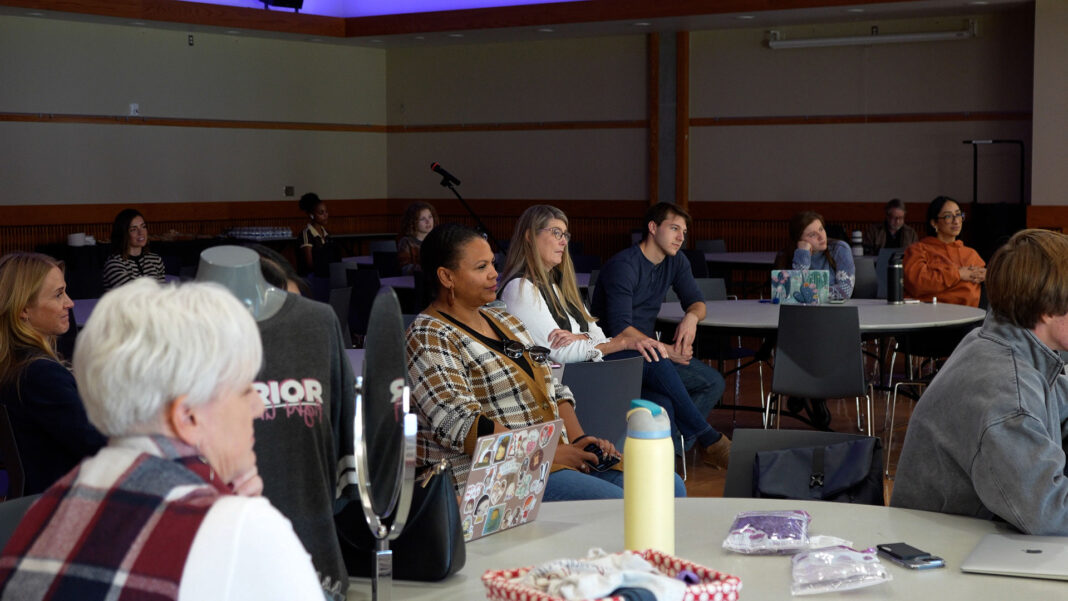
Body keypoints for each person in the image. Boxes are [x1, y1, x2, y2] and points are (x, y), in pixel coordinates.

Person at [0, 278, 324, 599]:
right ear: (188, 417)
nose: (258, 405)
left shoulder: (37, 517)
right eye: (242, 389)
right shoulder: (241, 529)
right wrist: (247, 518)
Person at [407, 223, 686, 501]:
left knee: (669, 485)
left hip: (550, 456)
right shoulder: (428, 335)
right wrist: (545, 451)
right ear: (446, 277)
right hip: (491, 474)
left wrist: (577, 442)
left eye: (493, 263)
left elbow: (552, 386)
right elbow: (462, 424)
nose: (494, 273)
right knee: (614, 503)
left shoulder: (504, 320)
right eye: (481, 267)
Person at [500, 205, 731, 468]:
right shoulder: (520, 288)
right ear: (530, 236)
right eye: (556, 232)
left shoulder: (556, 285)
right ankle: (707, 438)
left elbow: (595, 332)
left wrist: (584, 340)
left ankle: (664, 466)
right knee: (649, 357)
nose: (564, 241)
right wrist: (616, 342)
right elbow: (559, 353)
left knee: (662, 395)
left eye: (566, 234)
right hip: (566, 384)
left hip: (589, 368)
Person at [891, 229, 1068, 535]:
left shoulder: (999, 343)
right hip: (945, 559)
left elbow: (1057, 402)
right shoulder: (1007, 394)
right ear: (1048, 310)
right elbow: (1052, 514)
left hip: (967, 539)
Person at [590, 203, 730, 466]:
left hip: (651, 357)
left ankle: (674, 450)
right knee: (660, 372)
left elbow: (698, 303)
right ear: (653, 228)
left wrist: (691, 318)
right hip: (614, 356)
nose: (681, 237)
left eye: (684, 232)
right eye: (674, 228)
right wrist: (667, 350)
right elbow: (621, 329)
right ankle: (708, 437)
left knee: (712, 382)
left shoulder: (676, 261)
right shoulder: (624, 265)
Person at [0, 252, 106, 495]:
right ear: (23, 309)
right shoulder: (40, 374)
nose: (70, 303)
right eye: (58, 295)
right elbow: (103, 448)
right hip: (63, 506)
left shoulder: (14, 362)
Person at [903, 196, 985, 307]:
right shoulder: (918, 250)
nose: (956, 221)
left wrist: (989, 276)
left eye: (958, 215)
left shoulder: (971, 254)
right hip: (927, 316)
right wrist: (959, 274)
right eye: (948, 216)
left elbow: (977, 288)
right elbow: (917, 284)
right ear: (934, 223)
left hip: (969, 318)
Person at [779, 210, 856, 300]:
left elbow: (845, 292)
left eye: (821, 229)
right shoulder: (786, 255)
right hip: (801, 311)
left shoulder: (840, 249)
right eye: (812, 235)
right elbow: (789, 293)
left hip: (834, 310)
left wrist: (806, 294)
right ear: (799, 241)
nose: (821, 237)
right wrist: (803, 254)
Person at [101, 208, 166, 291]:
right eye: (133, 229)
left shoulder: (155, 260)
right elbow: (133, 296)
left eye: (143, 226)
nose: (141, 232)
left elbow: (163, 293)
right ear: (124, 234)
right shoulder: (114, 264)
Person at [298, 192, 340, 276]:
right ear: (312, 215)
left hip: (326, 274)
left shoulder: (327, 233)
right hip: (313, 277)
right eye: (321, 213)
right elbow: (309, 264)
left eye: (326, 212)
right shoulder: (306, 234)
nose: (325, 215)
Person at [397, 201, 438, 275]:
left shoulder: (437, 240)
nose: (428, 221)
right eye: (422, 219)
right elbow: (405, 268)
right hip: (414, 280)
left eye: (430, 217)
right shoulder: (406, 242)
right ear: (413, 222)